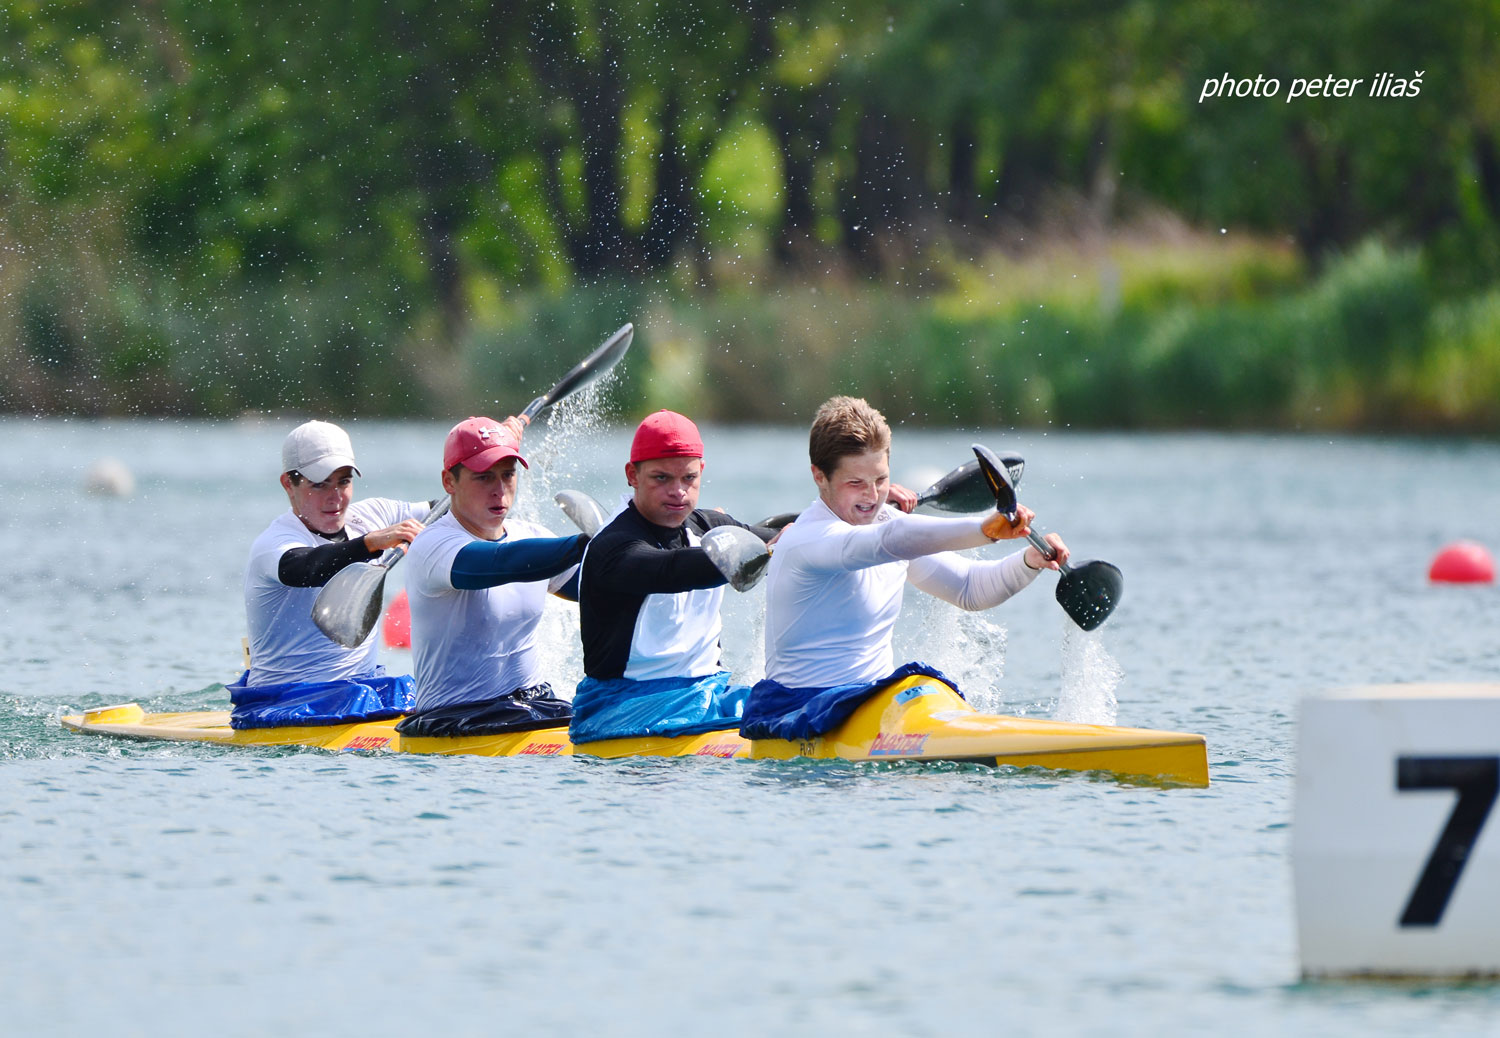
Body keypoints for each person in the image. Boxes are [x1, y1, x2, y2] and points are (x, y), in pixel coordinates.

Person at [740, 395, 1068, 741]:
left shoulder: (891, 528)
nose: (871, 496)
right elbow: (890, 540)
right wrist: (983, 529)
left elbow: (969, 589)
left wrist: (1030, 562)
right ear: (819, 476)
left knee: (925, 687)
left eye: (880, 480)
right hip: (799, 712)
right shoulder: (808, 540)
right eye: (855, 483)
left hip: (871, 703)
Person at [568, 410, 779, 743]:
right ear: (632, 475)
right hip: (622, 710)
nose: (678, 492)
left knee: (786, 699)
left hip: (707, 693)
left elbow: (779, 532)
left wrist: (867, 520)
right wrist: (763, 551)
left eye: (689, 478)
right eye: (661, 478)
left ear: (701, 472)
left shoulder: (708, 526)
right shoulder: (613, 546)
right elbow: (670, 571)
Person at [398, 416, 588, 737]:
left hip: (536, 706)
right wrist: (588, 541)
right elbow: (500, 563)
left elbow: (606, 585)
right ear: (449, 481)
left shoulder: (532, 536)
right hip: (456, 718)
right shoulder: (433, 545)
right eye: (483, 477)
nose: (499, 490)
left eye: (508, 475)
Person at [234, 420, 430, 728]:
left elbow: (454, 507)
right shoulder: (275, 544)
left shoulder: (372, 515)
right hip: (285, 703)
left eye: (343, 481)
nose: (335, 496)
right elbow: (307, 568)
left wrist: (485, 460)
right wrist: (370, 543)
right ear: (288, 483)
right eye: (319, 484)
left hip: (362, 691)